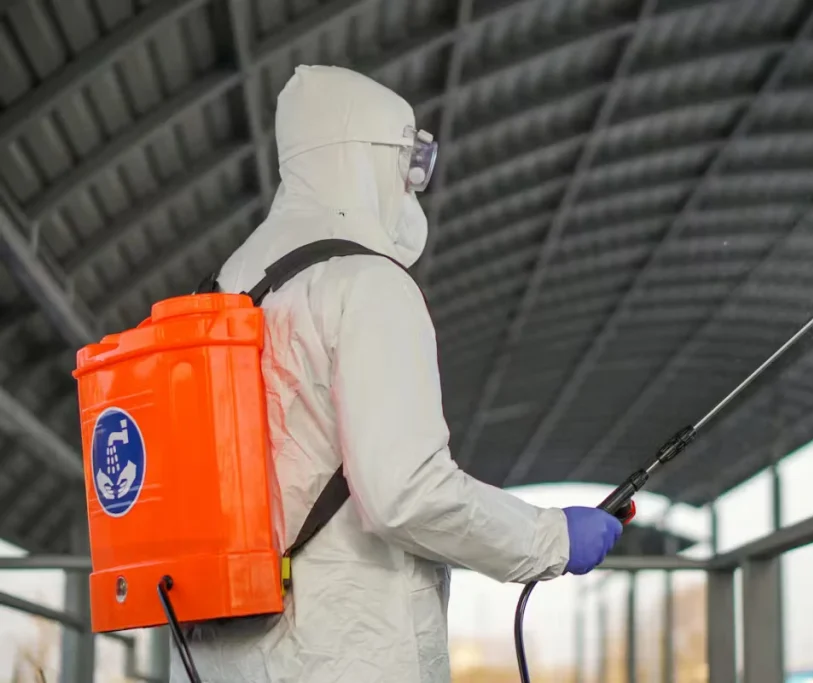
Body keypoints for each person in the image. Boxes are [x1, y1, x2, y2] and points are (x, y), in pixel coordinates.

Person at [170, 65, 623, 683]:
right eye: (407, 161)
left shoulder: (224, 290)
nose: (413, 184)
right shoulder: (368, 285)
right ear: (367, 160)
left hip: (216, 657)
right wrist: (551, 539)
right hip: (347, 653)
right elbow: (405, 495)